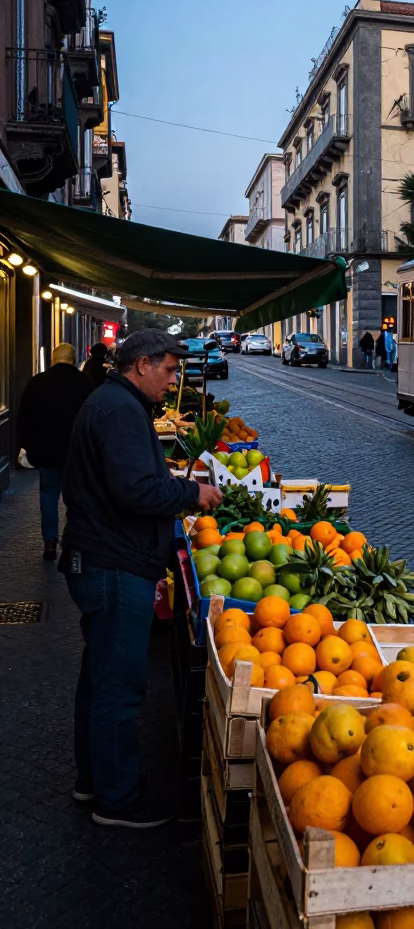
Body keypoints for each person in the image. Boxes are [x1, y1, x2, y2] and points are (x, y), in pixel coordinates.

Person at [60, 329, 223, 829]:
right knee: (119, 687)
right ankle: (117, 800)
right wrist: (188, 494)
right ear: (142, 365)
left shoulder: (112, 403)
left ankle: (94, 780)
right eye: (170, 370)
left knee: (100, 678)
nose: (173, 380)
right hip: (114, 565)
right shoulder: (121, 411)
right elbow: (134, 491)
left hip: (103, 559)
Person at [18, 343, 95, 560]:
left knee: (48, 494)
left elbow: (24, 418)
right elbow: (94, 419)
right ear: (72, 359)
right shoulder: (85, 383)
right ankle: (73, 542)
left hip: (46, 451)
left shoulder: (37, 382)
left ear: (53, 359)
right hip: (77, 453)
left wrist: (28, 447)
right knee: (76, 497)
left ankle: (50, 542)